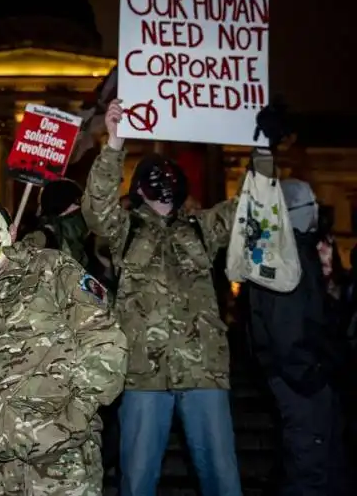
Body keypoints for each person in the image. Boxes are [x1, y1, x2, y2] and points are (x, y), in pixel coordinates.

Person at [83, 100, 271, 496]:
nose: (164, 178)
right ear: (138, 187)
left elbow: (254, 204)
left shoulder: (203, 226)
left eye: (169, 172)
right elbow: (96, 210)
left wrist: (264, 150)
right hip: (143, 374)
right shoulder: (125, 228)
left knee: (222, 480)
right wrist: (114, 145)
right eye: (153, 174)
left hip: (203, 370)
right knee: (137, 482)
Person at [0, 200, 128, 495]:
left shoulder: (51, 267)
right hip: (0, 470)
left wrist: (74, 416)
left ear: (12, 232)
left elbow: (104, 338)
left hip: (61, 464)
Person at [247, 179, 350, 496]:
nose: (317, 211)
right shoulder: (284, 256)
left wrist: (330, 281)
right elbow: (287, 330)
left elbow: (319, 315)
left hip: (308, 376)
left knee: (327, 466)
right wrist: (311, 375)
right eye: (311, 205)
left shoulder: (300, 251)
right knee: (309, 469)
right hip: (301, 380)